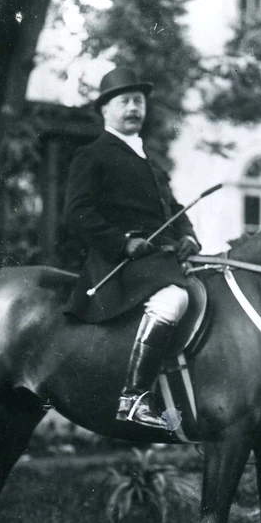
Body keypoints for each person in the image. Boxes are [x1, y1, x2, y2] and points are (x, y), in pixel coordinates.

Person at [64, 67, 202, 431]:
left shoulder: (149, 161)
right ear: (105, 110)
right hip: (118, 263)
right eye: (124, 101)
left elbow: (173, 210)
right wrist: (122, 242)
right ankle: (134, 397)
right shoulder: (93, 156)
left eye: (138, 101)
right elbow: (77, 213)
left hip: (158, 258)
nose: (133, 108)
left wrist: (188, 236)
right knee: (174, 300)